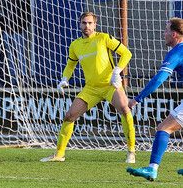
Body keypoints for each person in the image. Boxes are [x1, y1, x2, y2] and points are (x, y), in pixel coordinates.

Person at [41, 11, 135, 164]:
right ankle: (59, 154)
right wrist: (65, 78)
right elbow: (70, 64)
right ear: (80, 24)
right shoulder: (75, 45)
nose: (87, 26)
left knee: (125, 109)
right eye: (84, 23)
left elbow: (126, 53)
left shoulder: (103, 38)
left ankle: (131, 151)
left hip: (110, 85)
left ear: (95, 25)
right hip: (91, 88)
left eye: (90, 23)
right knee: (69, 116)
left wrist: (117, 71)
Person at [127, 18, 183, 181]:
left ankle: (152, 169)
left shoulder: (177, 52)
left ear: (173, 34)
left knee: (164, 128)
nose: (163, 34)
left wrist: (137, 98)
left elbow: (159, 79)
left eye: (166, 31)